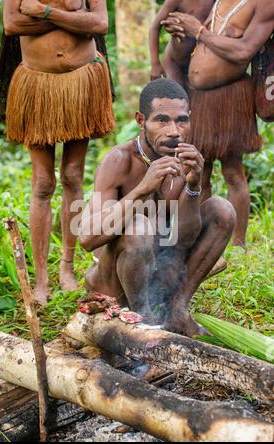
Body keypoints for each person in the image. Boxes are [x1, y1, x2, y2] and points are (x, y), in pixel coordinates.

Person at [79, 79, 236, 337]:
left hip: (160, 275)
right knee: (140, 224)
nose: (174, 131)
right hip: (114, 285)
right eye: (161, 120)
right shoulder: (119, 160)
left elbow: (184, 238)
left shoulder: (187, 159)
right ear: (141, 121)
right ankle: (145, 324)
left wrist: (193, 186)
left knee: (222, 209)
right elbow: (87, 238)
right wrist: (142, 189)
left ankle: (176, 310)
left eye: (181, 120)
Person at [1, 0, 115, 304]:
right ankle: (41, 279)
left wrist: (46, 13)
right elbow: (12, 25)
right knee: (42, 183)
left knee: (73, 176)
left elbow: (100, 24)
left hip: (82, 82)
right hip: (36, 85)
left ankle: (67, 268)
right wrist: (75, 19)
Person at [161, 0, 274, 247]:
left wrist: (198, 31)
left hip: (231, 96)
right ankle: (202, 239)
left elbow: (244, 50)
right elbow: (183, 20)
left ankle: (237, 244)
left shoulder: (265, 4)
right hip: (197, 96)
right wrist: (177, 27)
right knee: (199, 172)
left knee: (233, 171)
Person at [149, 0, 215, 84]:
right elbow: (154, 28)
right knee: (177, 94)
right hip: (175, 64)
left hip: (201, 62)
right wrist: (155, 64)